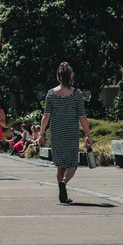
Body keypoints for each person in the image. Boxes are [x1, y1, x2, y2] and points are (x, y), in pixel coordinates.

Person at [39, 62, 93, 204]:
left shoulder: (51, 94)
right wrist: (88, 135)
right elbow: (82, 117)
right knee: (72, 164)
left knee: (60, 164)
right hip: (71, 132)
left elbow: (46, 115)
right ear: (71, 76)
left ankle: (61, 189)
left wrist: (41, 133)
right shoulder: (77, 94)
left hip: (56, 132)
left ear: (58, 76)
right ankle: (64, 183)